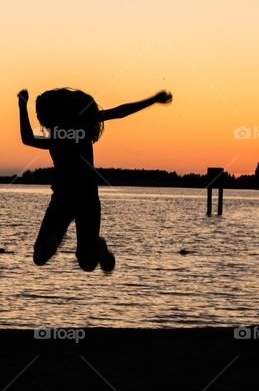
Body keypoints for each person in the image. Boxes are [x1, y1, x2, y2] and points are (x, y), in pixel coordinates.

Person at [18, 88, 173, 272]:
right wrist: (152, 100)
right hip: (87, 197)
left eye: (40, 114)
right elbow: (119, 112)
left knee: (39, 257)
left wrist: (21, 106)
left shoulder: (57, 138)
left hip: (63, 198)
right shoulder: (83, 124)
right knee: (87, 263)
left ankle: (55, 242)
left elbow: (27, 138)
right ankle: (95, 246)